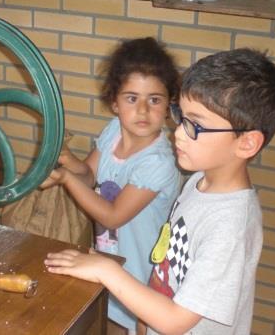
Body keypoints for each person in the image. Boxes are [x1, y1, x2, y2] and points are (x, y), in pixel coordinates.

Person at [45, 48, 275, 334]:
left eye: (195, 125)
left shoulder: (230, 227)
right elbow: (169, 268)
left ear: (247, 143)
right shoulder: (199, 183)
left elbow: (176, 321)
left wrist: (105, 269)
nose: (177, 133)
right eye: (180, 116)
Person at [40, 37, 181, 333]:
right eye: (132, 98)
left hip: (142, 274)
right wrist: (67, 160)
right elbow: (89, 175)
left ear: (169, 105)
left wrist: (66, 179)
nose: (142, 110)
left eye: (154, 100)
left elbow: (112, 215)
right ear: (114, 103)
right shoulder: (113, 131)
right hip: (109, 258)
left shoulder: (158, 163)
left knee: (135, 326)